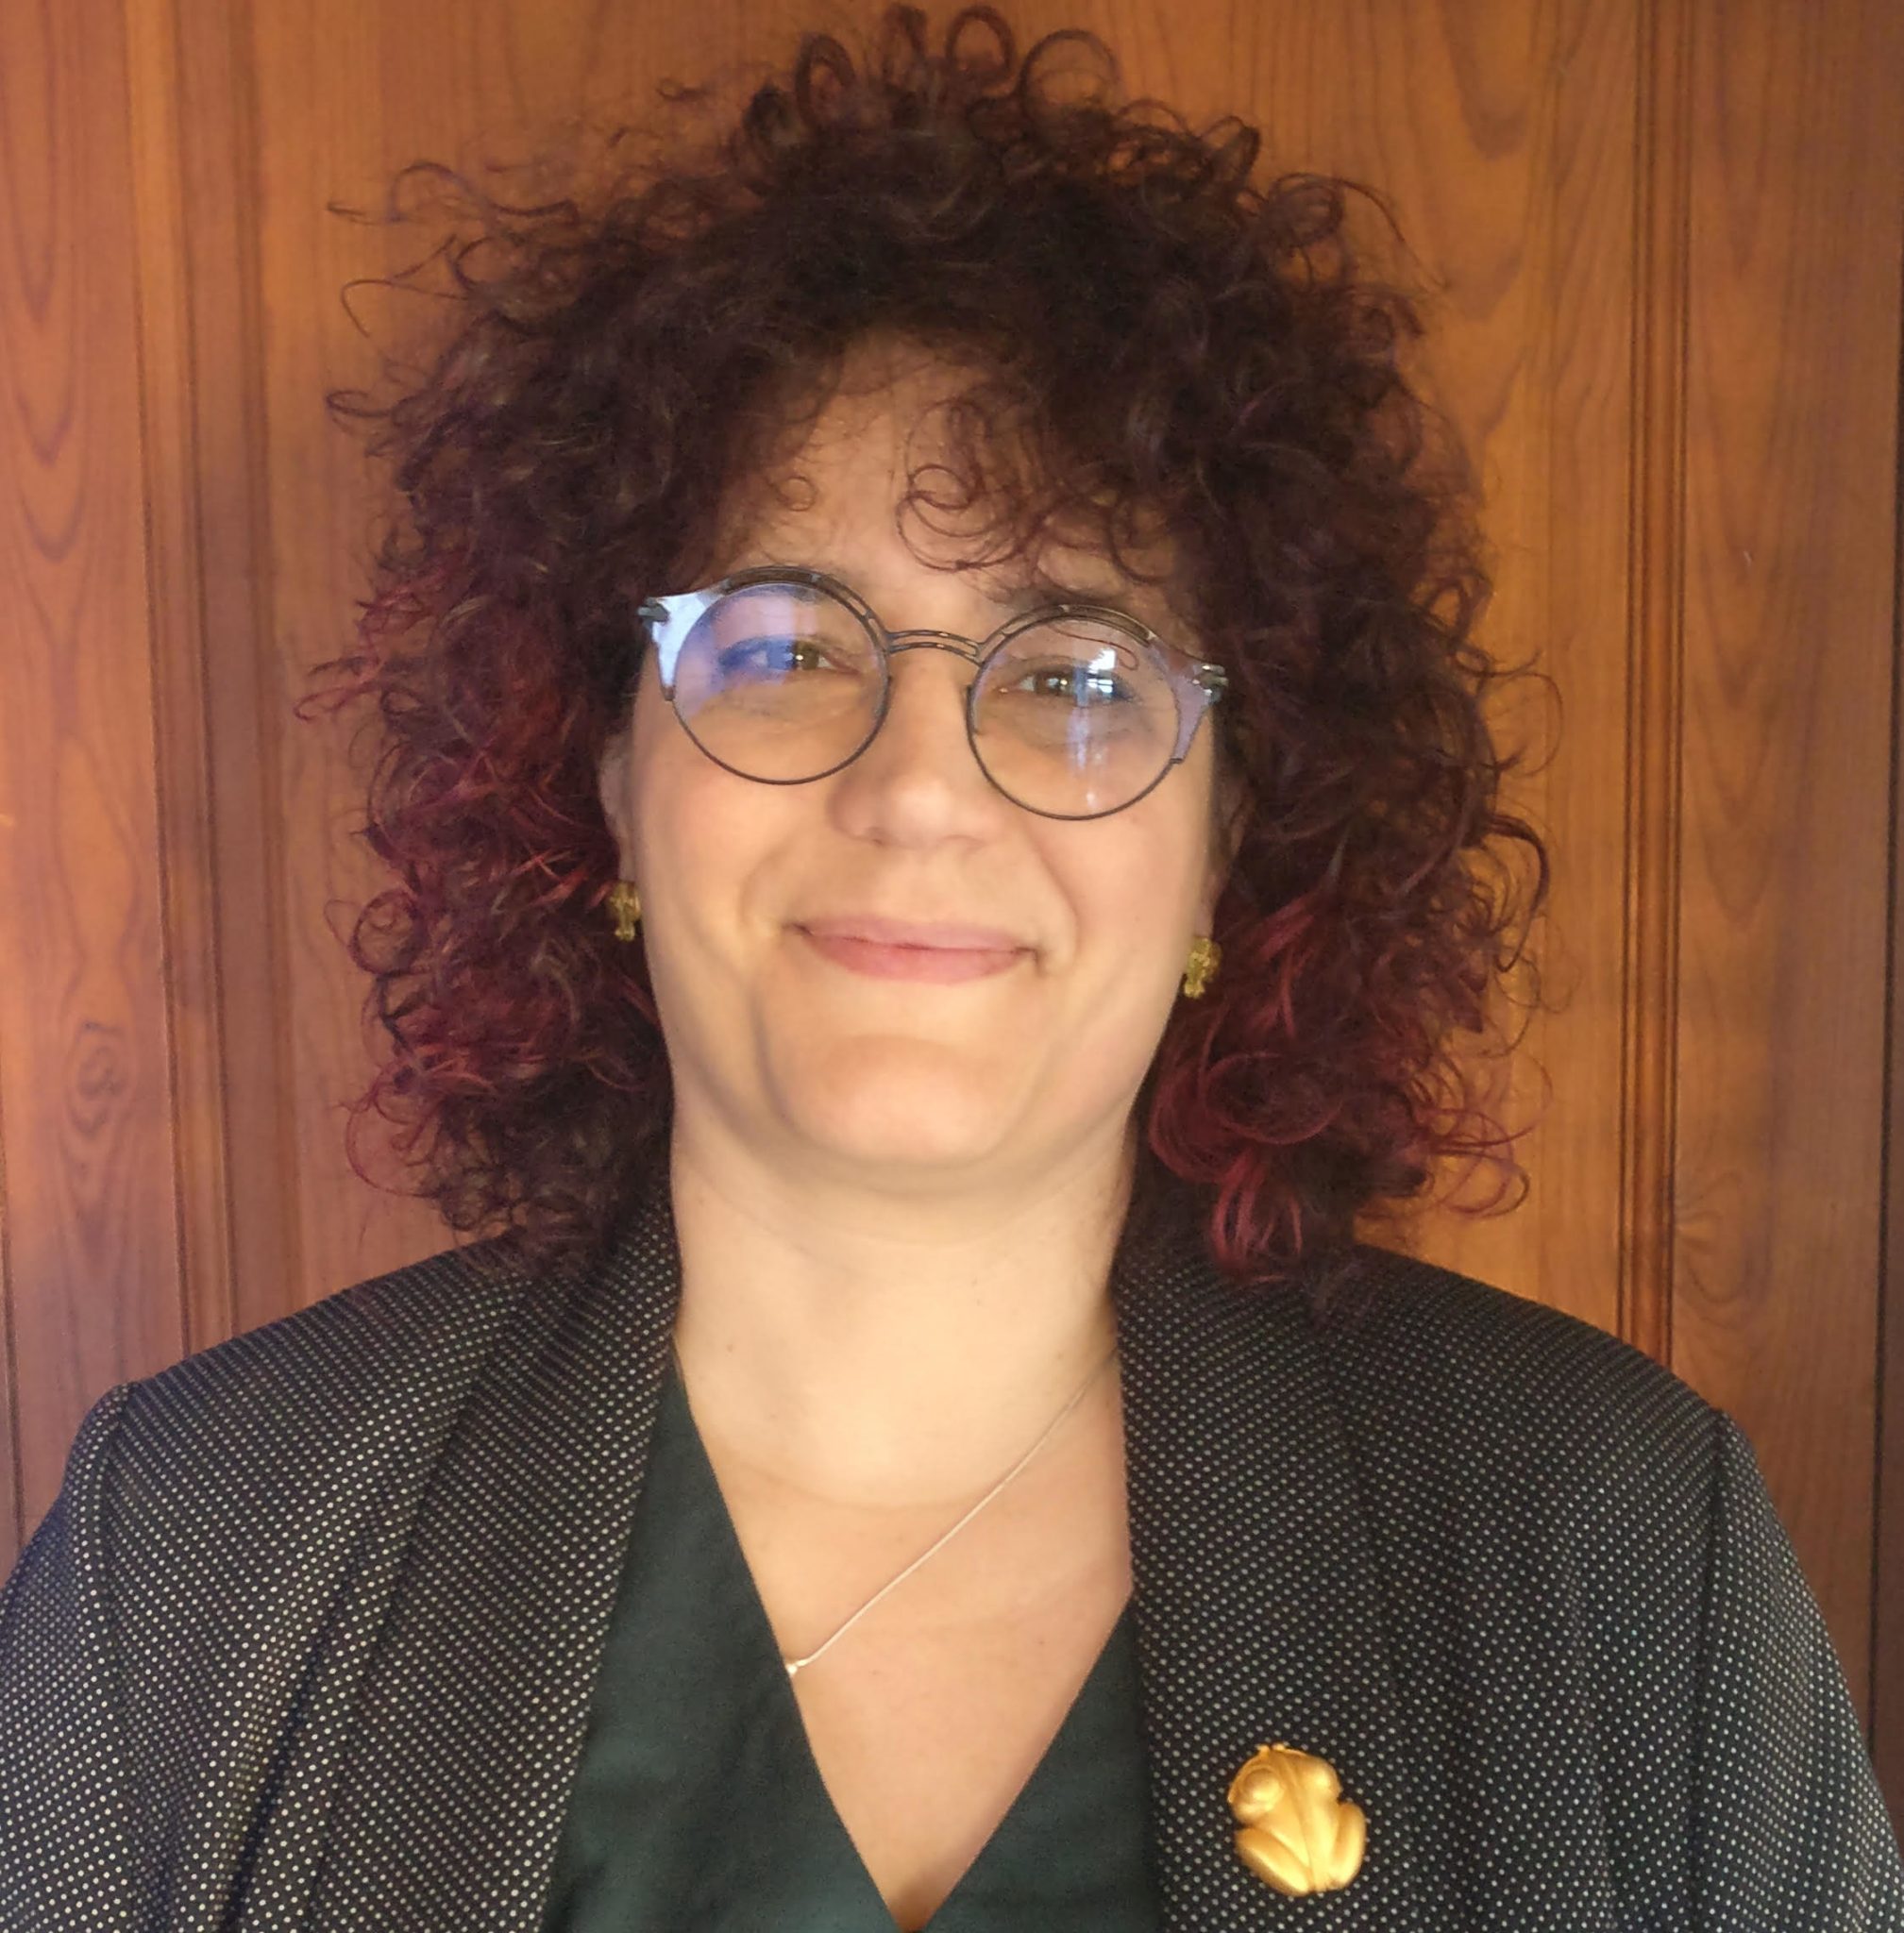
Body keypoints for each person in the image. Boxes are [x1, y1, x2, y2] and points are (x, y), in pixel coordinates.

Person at [3, 6, 1900, 1928]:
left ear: (1226, 845)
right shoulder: (194, 1554)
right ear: (609, 777)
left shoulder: (1620, 1554)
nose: (916, 791)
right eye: (782, 647)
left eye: (1074, 677)